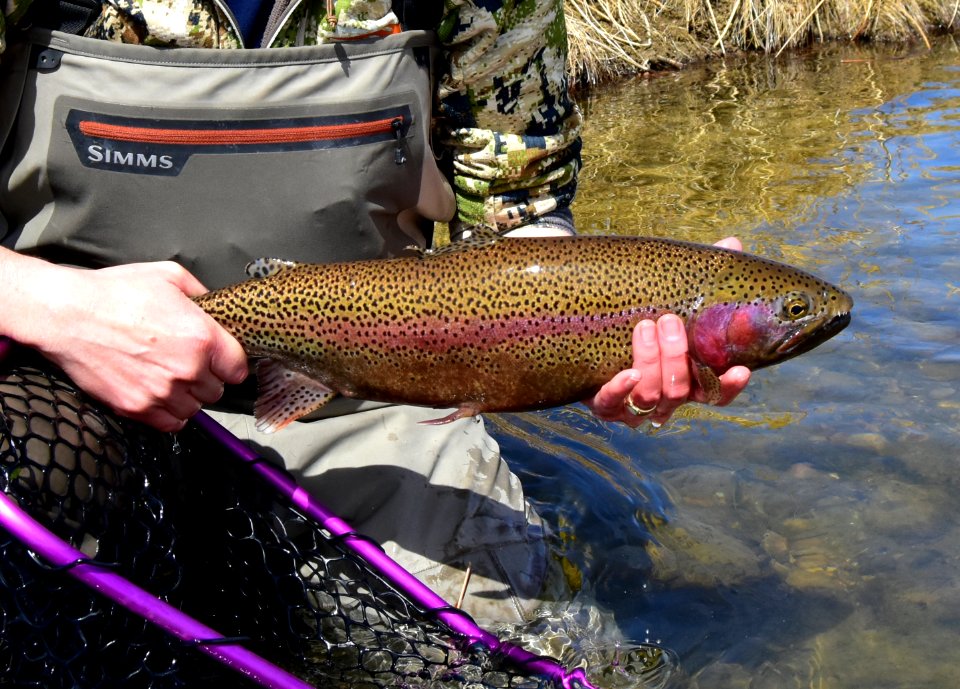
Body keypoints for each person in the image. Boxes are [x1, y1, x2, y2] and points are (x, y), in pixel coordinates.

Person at [0, 0, 750, 627]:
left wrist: (575, 346)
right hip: (61, 394)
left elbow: (524, 222)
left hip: (373, 410)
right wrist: (61, 309)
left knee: (521, 637)